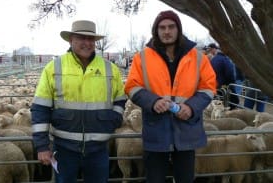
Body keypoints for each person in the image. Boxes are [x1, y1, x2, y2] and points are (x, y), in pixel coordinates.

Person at [124, 10, 217, 183]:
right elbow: (131, 86)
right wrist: (153, 102)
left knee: (185, 179)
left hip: (186, 129)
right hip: (156, 129)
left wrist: (191, 107)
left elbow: (208, 87)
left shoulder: (198, 57)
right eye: (162, 27)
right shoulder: (142, 57)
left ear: (178, 29)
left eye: (171, 27)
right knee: (155, 179)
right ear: (156, 31)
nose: (167, 31)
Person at [31, 20, 127, 183]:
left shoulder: (110, 69)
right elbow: (40, 107)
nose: (87, 43)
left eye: (91, 39)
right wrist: (42, 146)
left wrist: (114, 120)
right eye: (81, 38)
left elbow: (120, 98)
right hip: (64, 147)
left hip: (98, 148)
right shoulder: (54, 67)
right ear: (71, 40)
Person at [207, 43, 239, 109]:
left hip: (215, 85)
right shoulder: (225, 60)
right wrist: (232, 81)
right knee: (234, 102)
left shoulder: (213, 59)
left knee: (218, 102)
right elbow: (229, 73)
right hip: (224, 85)